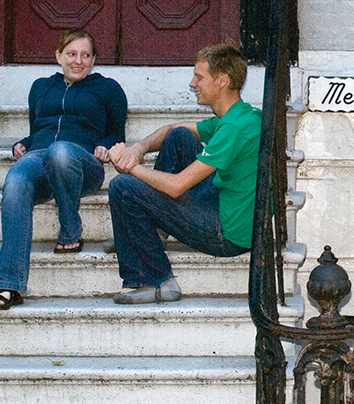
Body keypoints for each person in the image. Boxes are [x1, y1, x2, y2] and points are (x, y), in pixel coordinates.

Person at [0, 28, 128, 310]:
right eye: (72, 54)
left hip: (82, 162)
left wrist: (105, 145)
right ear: (58, 56)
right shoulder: (41, 86)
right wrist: (23, 143)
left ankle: (70, 230)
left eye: (85, 55)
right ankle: (8, 284)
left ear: (94, 59)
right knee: (15, 180)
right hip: (41, 158)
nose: (78, 61)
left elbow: (117, 133)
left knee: (59, 150)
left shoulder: (108, 89)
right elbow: (37, 129)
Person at [106, 44, 260, 304]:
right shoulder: (242, 116)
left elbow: (177, 186)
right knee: (179, 136)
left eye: (199, 77)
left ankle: (156, 280)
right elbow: (172, 128)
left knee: (123, 186)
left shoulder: (233, 128)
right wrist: (138, 149)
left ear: (222, 80)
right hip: (227, 205)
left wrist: (130, 167)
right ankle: (154, 229)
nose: (192, 83)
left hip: (228, 233)